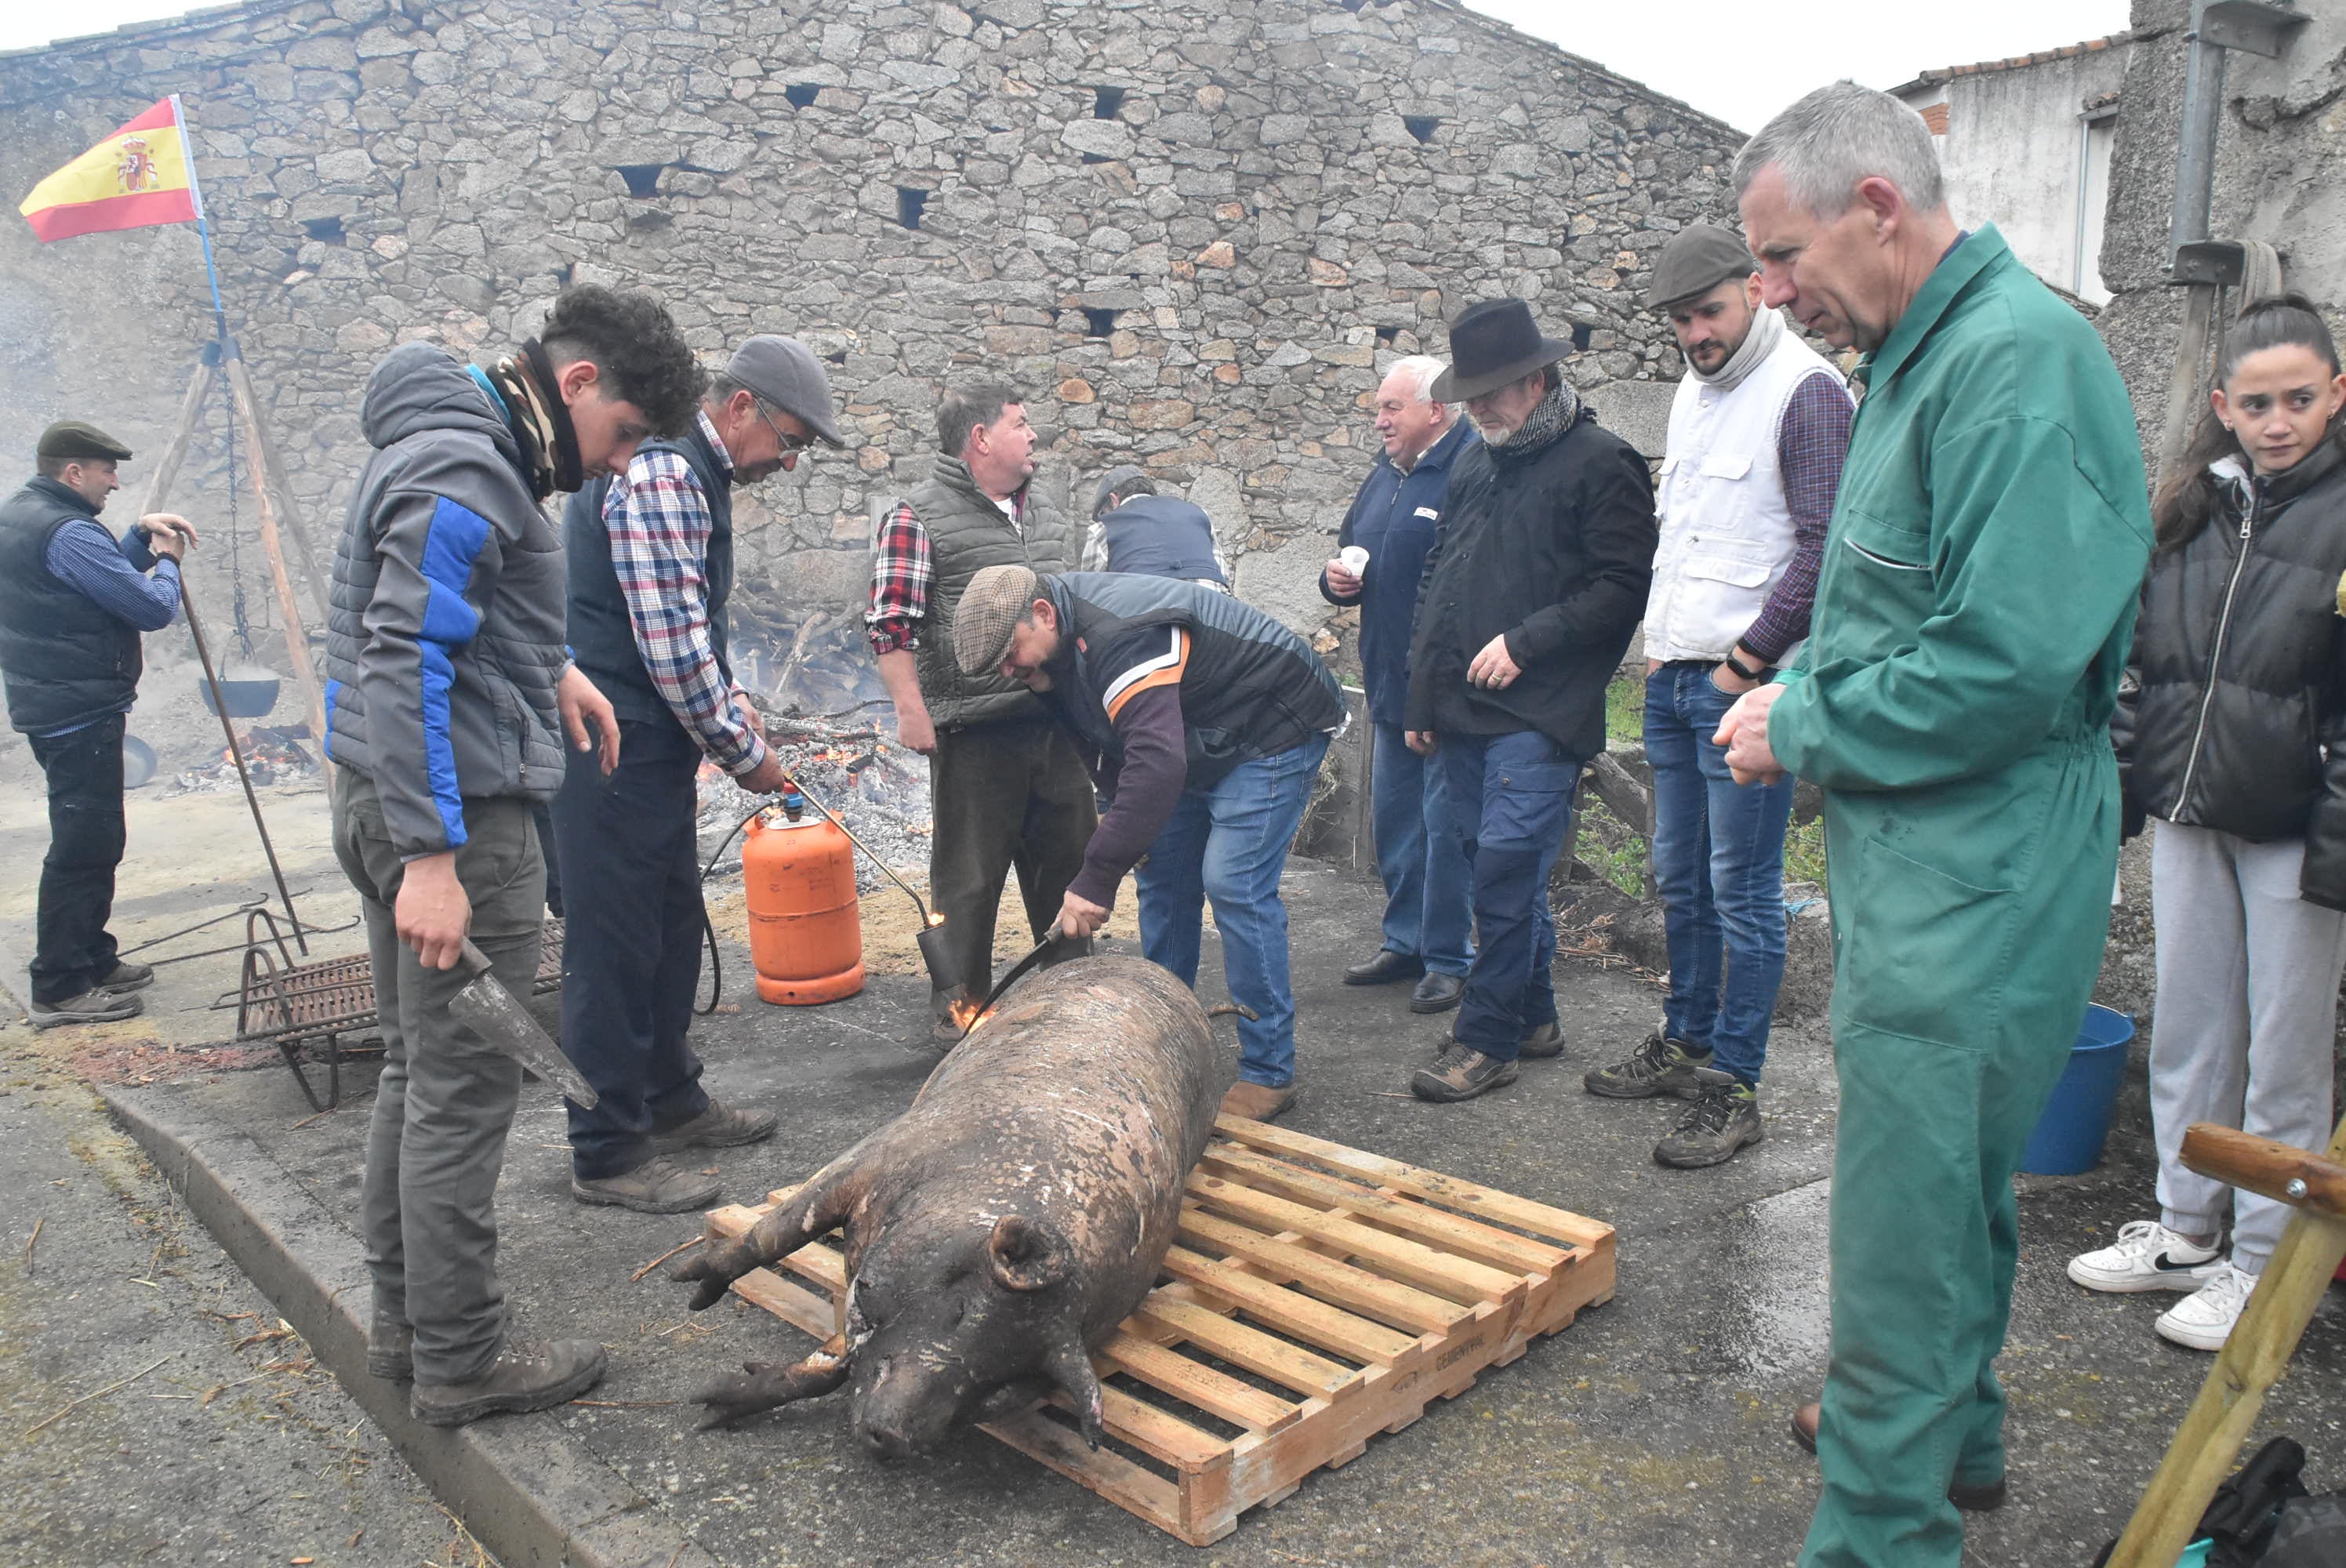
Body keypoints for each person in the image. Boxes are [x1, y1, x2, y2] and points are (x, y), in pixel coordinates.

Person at [1717, 83, 2152, 1566]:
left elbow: (2002, 663)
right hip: (1940, 849)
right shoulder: (1917, 353)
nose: (1773, 296)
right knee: (1954, 1174)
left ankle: (1877, 1529)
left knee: (1901, 1216)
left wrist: (1803, 722)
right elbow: (1905, 604)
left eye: (1781, 260)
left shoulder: (2019, 366)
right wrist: (1797, 688)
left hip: (1982, 852)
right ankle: (1954, 1432)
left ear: (1877, 212)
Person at [324, 284, 705, 1427]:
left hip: (385, 801)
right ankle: (464, 1357)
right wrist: (435, 856)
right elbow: (404, 659)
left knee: (412, 1073)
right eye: (627, 433)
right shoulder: (471, 469)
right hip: (453, 822)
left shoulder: (452, 443)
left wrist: (551, 669)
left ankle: (409, 1331)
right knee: (460, 1091)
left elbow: (455, 621)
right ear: (575, 383)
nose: (620, 464)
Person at [2070, 293, 2346, 1351]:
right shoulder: (2192, 510)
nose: (2279, 422)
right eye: (2259, 403)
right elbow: (2149, 666)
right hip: (2192, 810)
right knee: (2190, 1026)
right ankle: (2186, 1228)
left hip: (2292, 827)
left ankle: (2263, 1263)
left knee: (2284, 1054)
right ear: (2224, 406)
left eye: (2301, 400)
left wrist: (2336, 844)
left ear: (2335, 397)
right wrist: (2133, 788)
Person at [1582, 225, 1853, 1168]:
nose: (1696, 332)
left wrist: (1745, 664)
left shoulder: (1808, 391)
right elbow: (1686, 531)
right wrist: (1663, 652)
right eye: (1680, 320)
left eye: (1709, 311)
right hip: (1676, 676)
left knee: (1744, 892)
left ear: (1752, 290)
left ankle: (1734, 1087)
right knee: (1683, 880)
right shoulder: (1697, 393)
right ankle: (1685, 1040)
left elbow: (1823, 548)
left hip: (1750, 686)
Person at [555, 336, 845, 1214]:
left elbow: (685, 622)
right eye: (790, 439)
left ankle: (671, 1097)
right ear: (742, 405)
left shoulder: (691, 469)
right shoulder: (667, 474)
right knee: (613, 945)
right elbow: (668, 647)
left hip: (644, 738)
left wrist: (734, 702)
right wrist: (743, 752)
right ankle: (605, 1149)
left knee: (671, 922)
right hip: (611, 741)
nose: (789, 462)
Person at [953, 562, 1342, 1121]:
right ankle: (1166, 1040)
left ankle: (1268, 1072)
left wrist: (1095, 877)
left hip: (1271, 725)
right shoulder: (1048, 652)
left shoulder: (1122, 636)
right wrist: (1121, 821)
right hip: (1197, 734)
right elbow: (1098, 740)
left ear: (1042, 614)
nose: (1008, 670)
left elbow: (1158, 765)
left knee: (1233, 883)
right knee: (1160, 874)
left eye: (1010, 654)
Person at [1403, 299, 1657, 1103]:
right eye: (1467, 392)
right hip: (1460, 710)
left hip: (1542, 709)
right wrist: (1420, 694)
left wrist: (1528, 640)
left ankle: (1489, 1040)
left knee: (1507, 870)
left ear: (1537, 377)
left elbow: (1622, 588)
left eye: (1491, 390)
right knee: (1486, 867)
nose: (1475, 407)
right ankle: (1534, 1017)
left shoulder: (1601, 460)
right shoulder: (1475, 462)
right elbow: (1439, 584)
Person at [866, 383, 1098, 1040]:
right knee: (968, 883)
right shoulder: (919, 516)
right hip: (974, 733)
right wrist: (912, 711)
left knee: (1070, 869)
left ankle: (1075, 1003)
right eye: (1021, 424)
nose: (1033, 437)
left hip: (1056, 727)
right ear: (980, 438)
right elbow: (890, 623)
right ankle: (957, 1011)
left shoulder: (1049, 515)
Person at [0, 421, 197, 1027]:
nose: (115, 481)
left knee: (94, 839)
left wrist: (135, 539)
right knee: (85, 845)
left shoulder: (25, 515)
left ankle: (91, 956)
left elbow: (85, 584)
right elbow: (147, 606)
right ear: (74, 473)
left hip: (54, 701)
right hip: (76, 711)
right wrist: (165, 561)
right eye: (106, 471)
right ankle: (60, 985)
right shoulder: (68, 531)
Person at [1320, 355, 1479, 1016]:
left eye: (1392, 408)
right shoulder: (1385, 476)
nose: (1379, 420)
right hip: (1387, 681)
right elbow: (1348, 549)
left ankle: (1448, 958)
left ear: (1435, 410)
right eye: (1379, 407)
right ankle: (1404, 941)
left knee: (1444, 826)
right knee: (1396, 823)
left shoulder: (1469, 471)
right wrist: (1334, 582)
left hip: (1445, 687)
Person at [1082, 464, 1230, 589]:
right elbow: (1223, 576)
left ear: (1114, 499)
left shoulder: (1103, 528)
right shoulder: (1199, 514)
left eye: (1104, 512)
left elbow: (1091, 592)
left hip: (1147, 611)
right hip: (1213, 609)